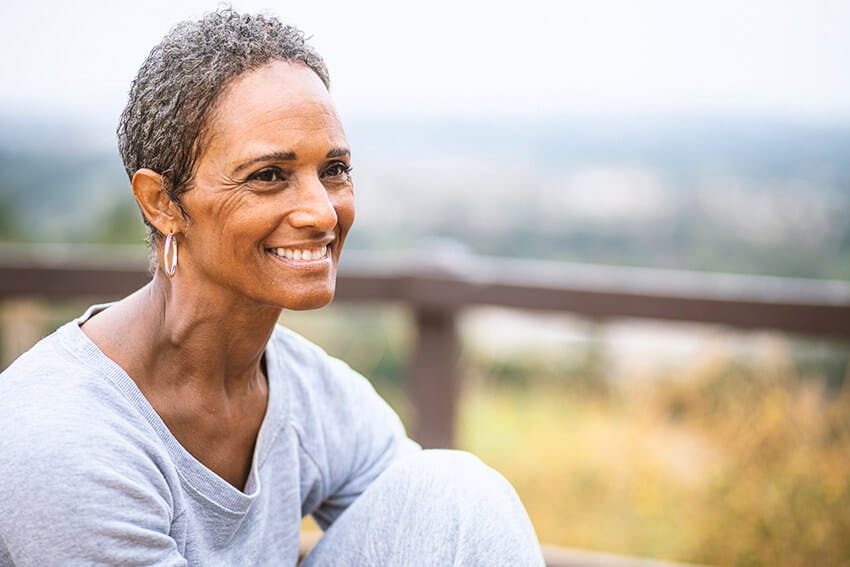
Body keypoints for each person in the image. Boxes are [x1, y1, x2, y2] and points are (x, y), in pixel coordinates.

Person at [0, 8, 544, 567]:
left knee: (459, 494)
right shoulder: (65, 438)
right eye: (268, 176)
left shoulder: (311, 395)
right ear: (162, 203)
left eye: (334, 169)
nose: (321, 212)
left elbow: (439, 537)